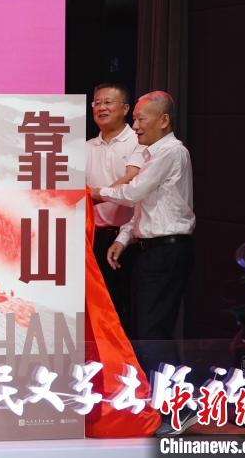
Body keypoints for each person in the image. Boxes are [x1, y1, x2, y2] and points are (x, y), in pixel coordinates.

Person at [91, 90, 195, 434]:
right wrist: (123, 239)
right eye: (134, 119)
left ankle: (177, 409)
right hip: (152, 250)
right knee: (147, 330)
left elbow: (133, 192)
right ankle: (168, 405)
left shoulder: (171, 152)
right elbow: (143, 208)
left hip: (168, 251)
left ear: (163, 120)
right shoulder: (154, 153)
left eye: (140, 119)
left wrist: (94, 193)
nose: (135, 126)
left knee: (153, 332)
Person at [85, 82, 144, 336]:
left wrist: (95, 195)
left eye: (108, 102)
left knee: (126, 312)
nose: (101, 108)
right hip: (93, 239)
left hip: (129, 240)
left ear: (125, 109)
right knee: (96, 312)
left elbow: (135, 187)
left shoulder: (139, 143)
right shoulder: (85, 147)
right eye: (97, 103)